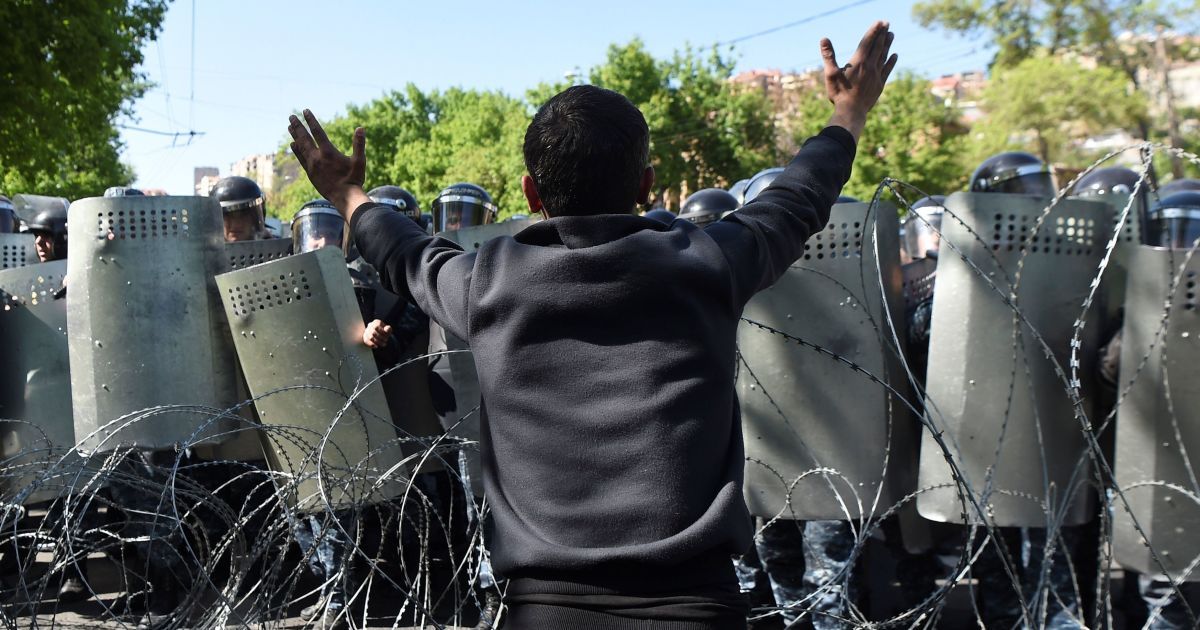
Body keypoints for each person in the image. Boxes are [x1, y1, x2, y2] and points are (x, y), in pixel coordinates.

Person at [286, 20, 895, 628]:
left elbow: (405, 253)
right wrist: (847, 114)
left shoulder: (487, 283)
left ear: (531, 191)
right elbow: (797, 198)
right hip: (696, 605)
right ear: (647, 185)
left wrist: (348, 195)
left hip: (545, 611)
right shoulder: (706, 262)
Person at [212, 176, 268, 242]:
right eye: (227, 215)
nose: (235, 224)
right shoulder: (204, 251)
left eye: (243, 214)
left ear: (254, 218)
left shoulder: (276, 249)